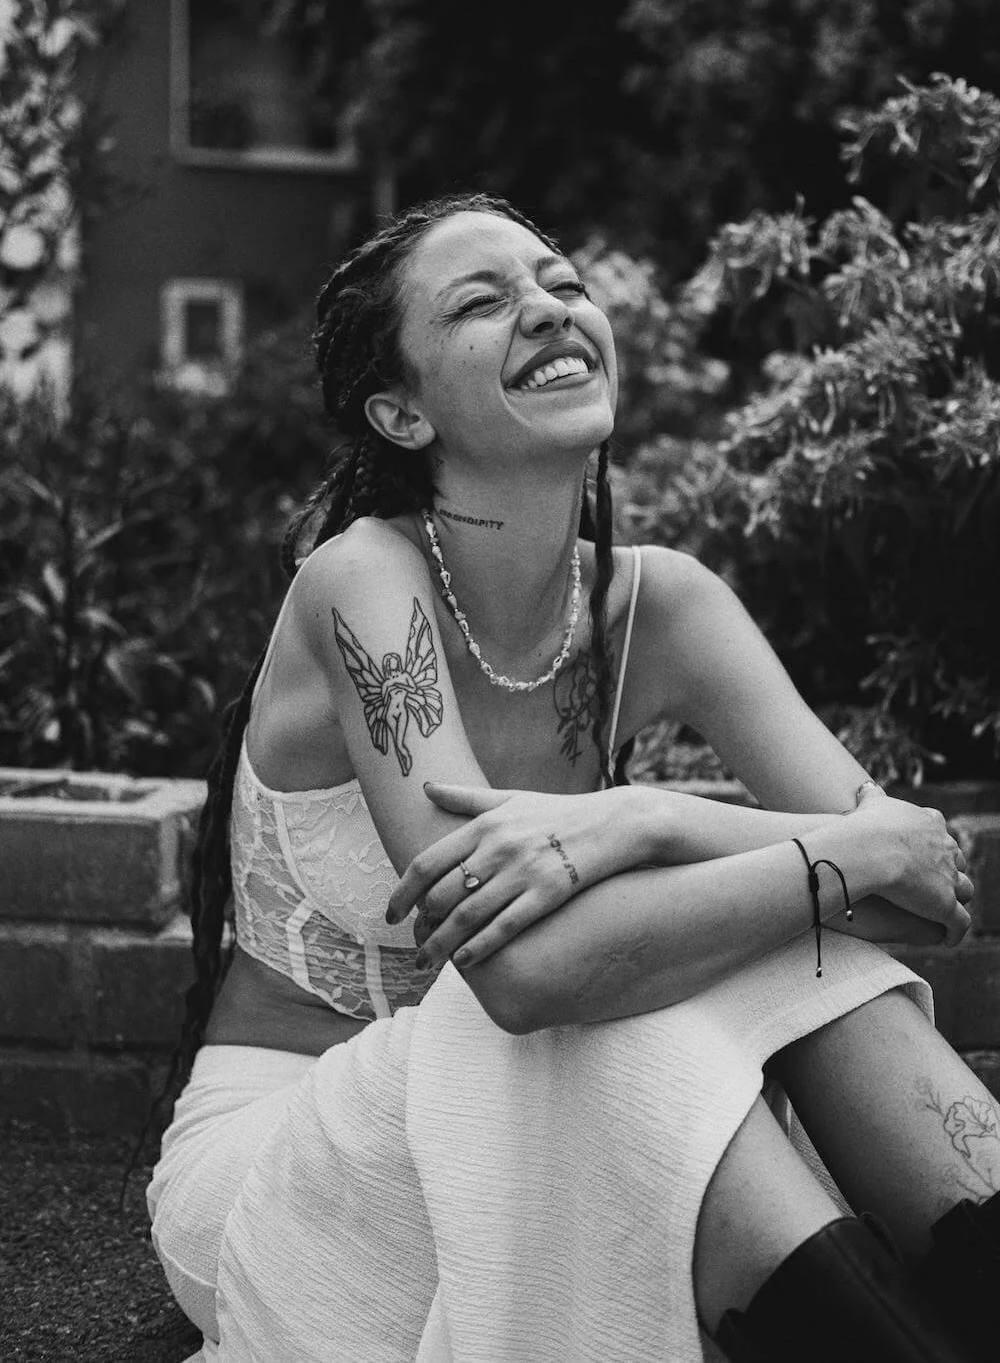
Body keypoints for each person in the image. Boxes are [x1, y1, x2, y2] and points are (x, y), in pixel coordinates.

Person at [146, 193, 997, 1363]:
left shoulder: (666, 605)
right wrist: (816, 845)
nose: (547, 310)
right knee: (616, 1011)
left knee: (811, 956)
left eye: (559, 283)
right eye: (484, 303)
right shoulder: (364, 583)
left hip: (547, 1098)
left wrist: (642, 819)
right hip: (291, 1169)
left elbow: (917, 893)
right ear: (400, 411)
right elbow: (525, 977)